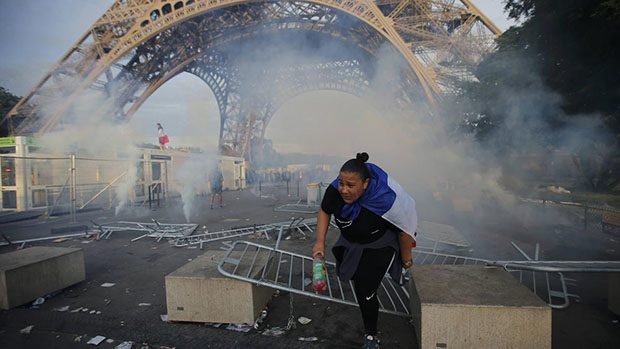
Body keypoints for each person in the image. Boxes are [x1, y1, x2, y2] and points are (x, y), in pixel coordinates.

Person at [312, 152, 417, 349]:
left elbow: (404, 233)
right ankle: (368, 302)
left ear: (366, 184)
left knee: (365, 288)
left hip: (380, 243)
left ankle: (371, 335)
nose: (344, 190)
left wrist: (406, 262)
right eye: (341, 183)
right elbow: (325, 210)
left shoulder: (386, 200)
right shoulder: (335, 190)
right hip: (352, 241)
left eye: (350, 185)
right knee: (355, 279)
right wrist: (319, 242)